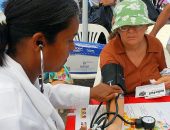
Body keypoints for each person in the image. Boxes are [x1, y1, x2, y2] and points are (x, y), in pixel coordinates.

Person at [0, 0, 123, 130]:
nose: (73, 47)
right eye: (69, 40)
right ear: (39, 42)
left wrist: (90, 93)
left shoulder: (22, 72)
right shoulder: (13, 116)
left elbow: (46, 92)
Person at [100, 0, 168, 129]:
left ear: (146, 26)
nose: (131, 31)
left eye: (137, 25)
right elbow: (115, 91)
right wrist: (114, 125)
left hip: (157, 104)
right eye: (124, 26)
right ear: (117, 29)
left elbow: (164, 70)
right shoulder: (110, 51)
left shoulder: (155, 44)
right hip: (123, 105)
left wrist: (167, 78)